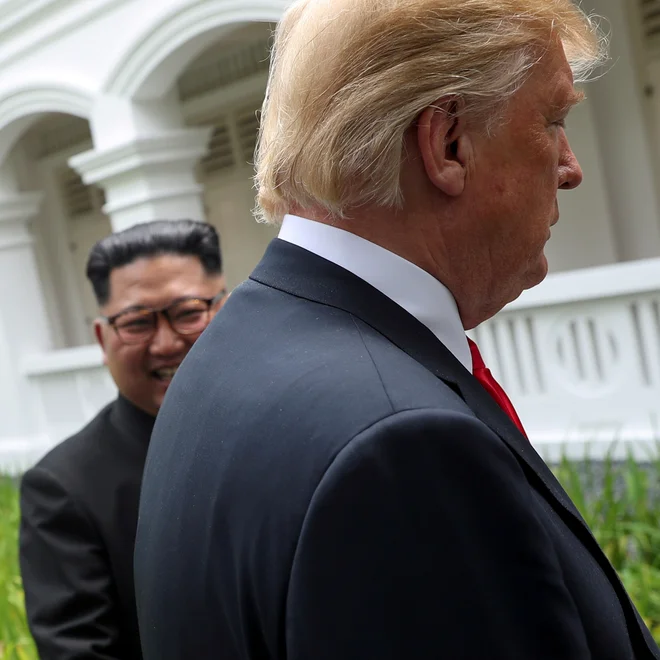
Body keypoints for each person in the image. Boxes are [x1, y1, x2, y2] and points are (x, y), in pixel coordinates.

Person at [135, 1, 660, 659]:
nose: (570, 166)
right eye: (552, 120)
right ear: (447, 143)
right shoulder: (405, 447)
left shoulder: (232, 352)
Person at [19, 219, 226, 660]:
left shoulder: (288, 433)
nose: (168, 343)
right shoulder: (64, 489)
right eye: (137, 323)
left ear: (225, 310)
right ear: (102, 337)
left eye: (189, 312)